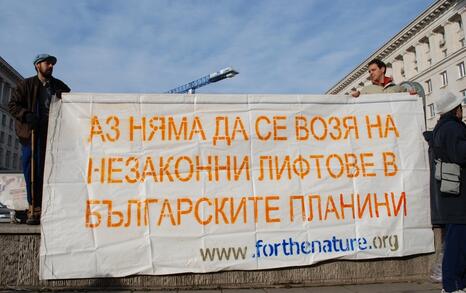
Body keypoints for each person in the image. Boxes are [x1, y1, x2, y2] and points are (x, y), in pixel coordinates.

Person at [8, 54, 70, 225]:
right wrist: (26, 114)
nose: (51, 66)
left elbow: (71, 99)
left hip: (51, 134)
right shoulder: (26, 85)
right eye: (47, 63)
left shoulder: (57, 85)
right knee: (32, 170)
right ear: (37, 65)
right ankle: (33, 207)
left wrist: (62, 96)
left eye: (52, 64)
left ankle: (49, 206)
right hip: (31, 134)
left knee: (49, 170)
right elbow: (13, 104)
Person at [430, 91, 466, 293]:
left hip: (451, 193)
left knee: (459, 241)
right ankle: (452, 286)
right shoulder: (453, 128)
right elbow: (459, 153)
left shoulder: (442, 128)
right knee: (457, 243)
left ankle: (458, 284)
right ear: (456, 109)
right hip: (458, 195)